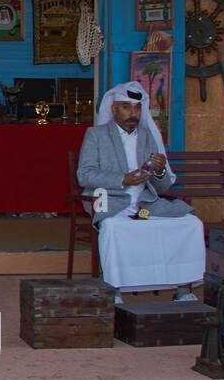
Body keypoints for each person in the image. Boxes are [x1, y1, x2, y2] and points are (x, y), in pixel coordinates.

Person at [76, 81, 204, 305]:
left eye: (137, 108)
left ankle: (183, 288)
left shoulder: (147, 135)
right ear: (114, 109)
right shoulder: (96, 134)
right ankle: (114, 288)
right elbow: (84, 175)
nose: (133, 113)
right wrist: (122, 179)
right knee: (113, 228)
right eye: (126, 107)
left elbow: (163, 187)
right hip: (111, 201)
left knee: (191, 224)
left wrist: (161, 169)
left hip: (147, 202)